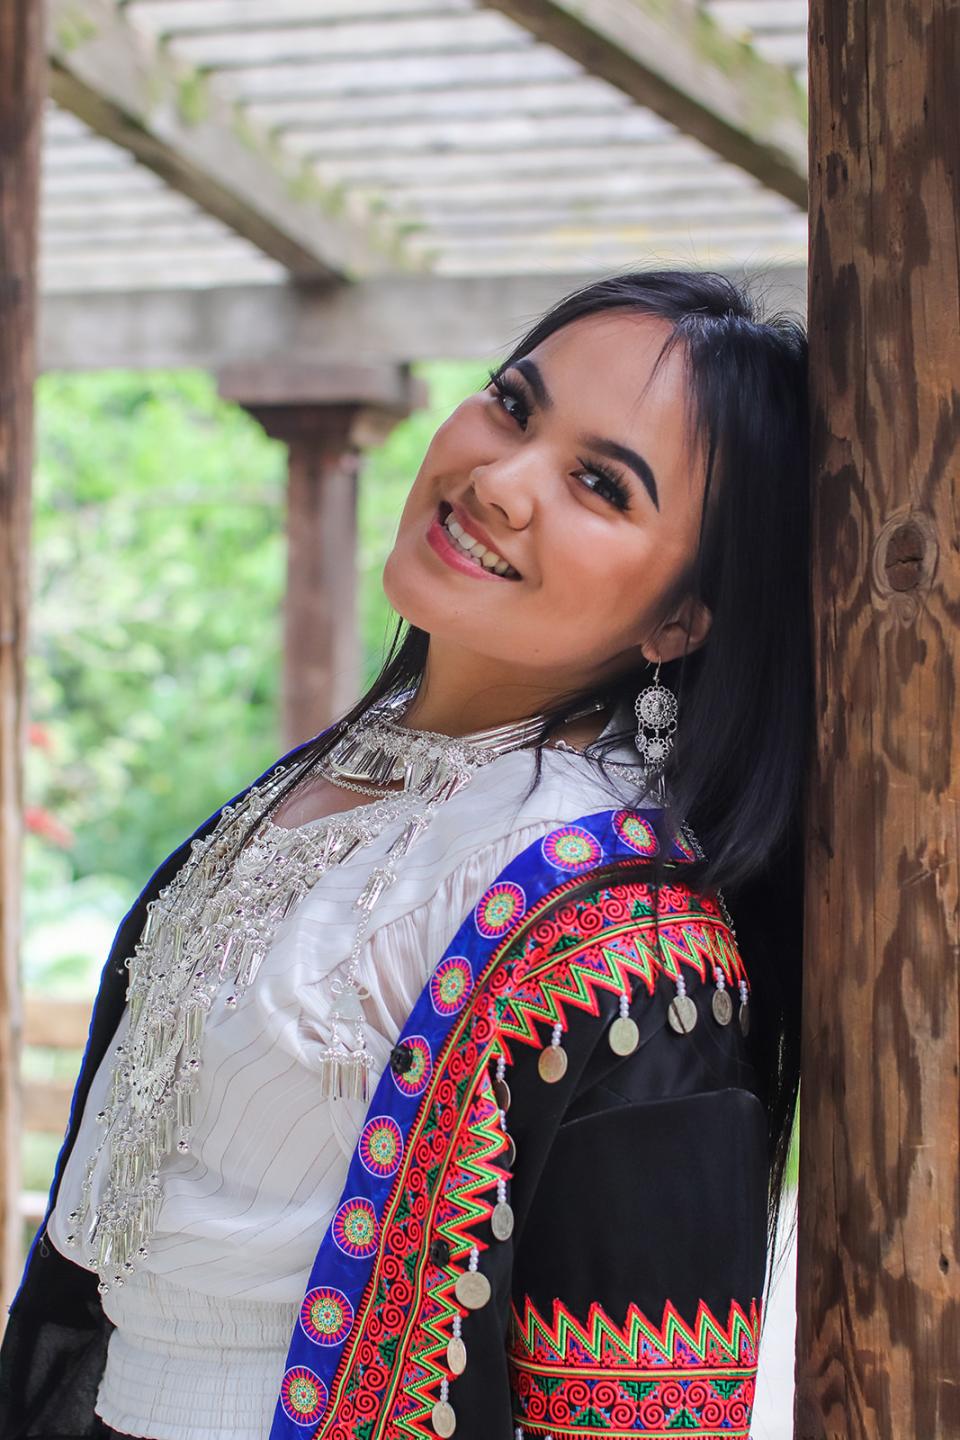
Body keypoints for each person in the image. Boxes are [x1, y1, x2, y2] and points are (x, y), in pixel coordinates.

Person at [0, 267, 811, 1440]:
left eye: (599, 483)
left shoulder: (626, 937)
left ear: (682, 617)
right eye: (512, 407)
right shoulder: (333, 775)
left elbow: (641, 1415)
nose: (499, 480)